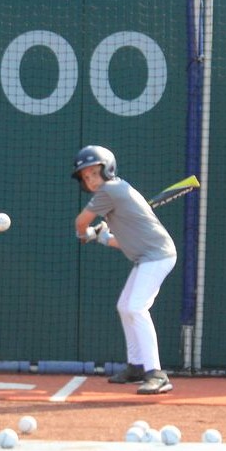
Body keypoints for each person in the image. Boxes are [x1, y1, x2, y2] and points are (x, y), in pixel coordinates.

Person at [72, 145, 177, 395]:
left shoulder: (111, 190)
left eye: (94, 174)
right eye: (86, 177)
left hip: (158, 256)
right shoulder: (114, 195)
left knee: (136, 308)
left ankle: (156, 373)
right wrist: (100, 237)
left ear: (107, 170)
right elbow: (123, 242)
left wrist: (84, 233)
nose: (91, 181)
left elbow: (80, 221)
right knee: (125, 306)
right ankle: (137, 367)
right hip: (147, 257)